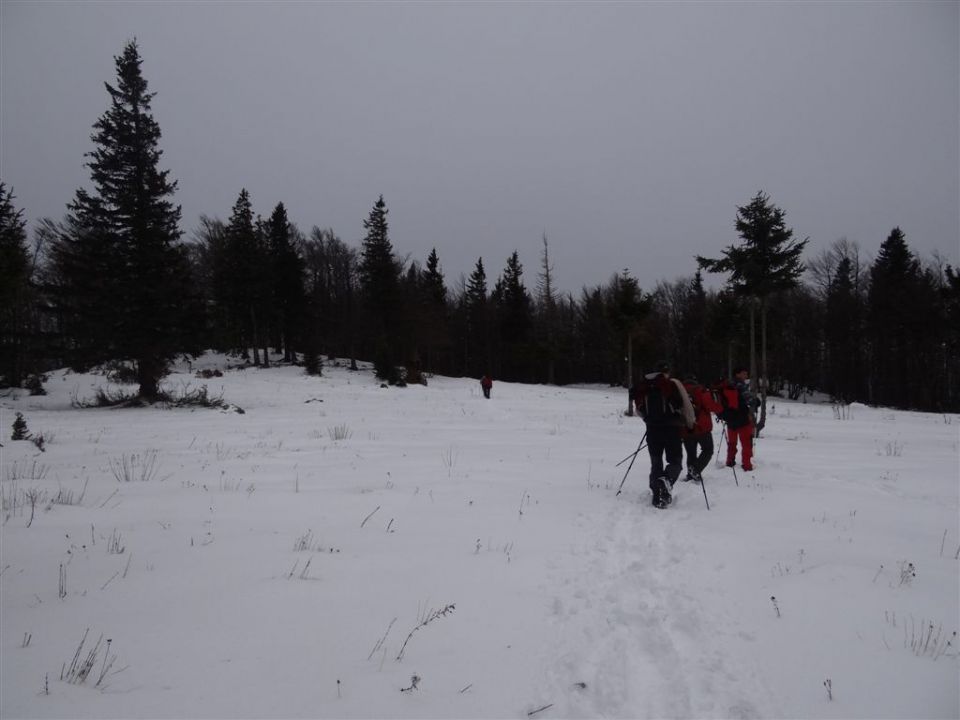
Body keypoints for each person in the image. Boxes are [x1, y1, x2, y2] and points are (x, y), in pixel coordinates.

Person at [634, 362, 695, 509]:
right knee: (675, 462)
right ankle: (666, 481)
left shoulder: (644, 386)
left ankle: (658, 496)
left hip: (652, 429)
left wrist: (650, 420)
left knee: (656, 462)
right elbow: (685, 405)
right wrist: (690, 423)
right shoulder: (672, 384)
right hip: (671, 429)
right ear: (665, 372)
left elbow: (639, 409)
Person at [681, 374, 723, 483]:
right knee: (708, 450)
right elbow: (713, 407)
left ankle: (691, 474)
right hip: (702, 427)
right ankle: (695, 470)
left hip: (686, 427)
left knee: (691, 453)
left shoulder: (680, 392)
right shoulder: (701, 390)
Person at [720, 366, 757, 471]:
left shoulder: (727, 384)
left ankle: (730, 461)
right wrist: (755, 401)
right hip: (742, 418)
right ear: (738, 374)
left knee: (732, 443)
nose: (746, 375)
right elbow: (749, 399)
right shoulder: (741, 385)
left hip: (730, 419)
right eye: (744, 373)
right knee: (746, 442)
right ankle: (747, 465)